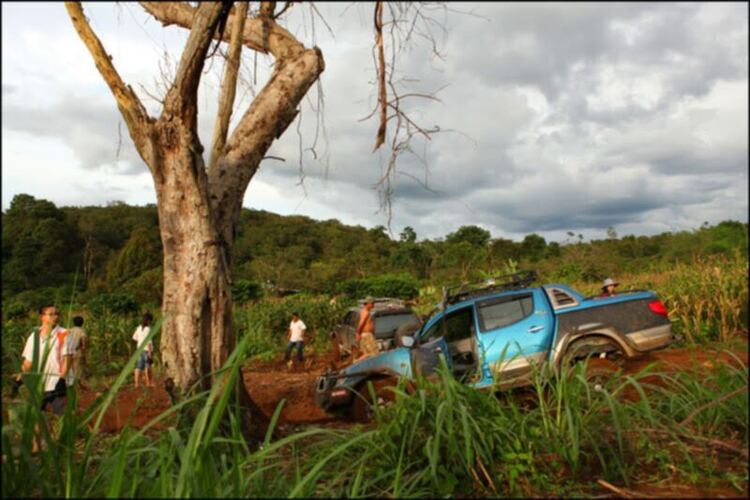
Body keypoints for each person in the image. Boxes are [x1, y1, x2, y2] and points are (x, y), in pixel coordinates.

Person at [19, 305, 75, 452]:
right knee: (37, 415)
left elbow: (68, 358)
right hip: (39, 383)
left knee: (61, 416)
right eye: (50, 314)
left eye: (57, 314)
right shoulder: (34, 336)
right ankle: (37, 447)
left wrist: (62, 379)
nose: (55, 317)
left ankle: (63, 448)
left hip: (57, 383)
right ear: (42, 317)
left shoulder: (64, 334)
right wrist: (22, 375)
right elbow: (28, 361)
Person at [132, 313, 154, 388]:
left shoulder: (139, 327)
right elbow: (149, 342)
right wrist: (150, 353)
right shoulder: (148, 329)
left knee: (138, 367)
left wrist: (140, 340)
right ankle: (149, 383)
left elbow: (134, 337)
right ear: (149, 321)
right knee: (147, 366)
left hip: (139, 349)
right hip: (146, 350)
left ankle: (136, 384)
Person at [355, 297, 379, 361]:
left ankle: (357, 364)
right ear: (368, 303)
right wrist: (357, 333)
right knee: (374, 353)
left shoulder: (364, 312)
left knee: (367, 354)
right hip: (367, 335)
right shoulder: (366, 312)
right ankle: (356, 363)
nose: (373, 305)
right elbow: (361, 323)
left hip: (366, 335)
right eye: (372, 303)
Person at [69, 315, 88, 387]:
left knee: (70, 368)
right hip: (77, 352)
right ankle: (77, 384)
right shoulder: (82, 332)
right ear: (82, 323)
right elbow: (84, 343)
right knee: (78, 368)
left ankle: (72, 384)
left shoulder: (69, 330)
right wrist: (84, 352)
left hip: (68, 352)